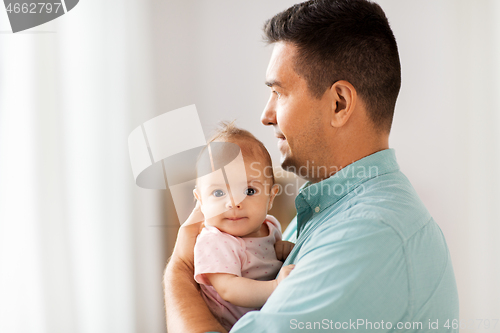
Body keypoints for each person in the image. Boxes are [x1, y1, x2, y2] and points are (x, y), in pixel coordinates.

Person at [164, 0, 459, 332]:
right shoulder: (324, 213)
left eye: (279, 93)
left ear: (339, 103)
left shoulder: (367, 235)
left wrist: (179, 269)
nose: (266, 115)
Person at [191, 123, 295, 331]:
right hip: (229, 327)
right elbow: (229, 288)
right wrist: (274, 287)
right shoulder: (214, 241)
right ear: (200, 201)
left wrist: (282, 247)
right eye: (219, 193)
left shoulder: (270, 225)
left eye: (249, 190)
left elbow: (269, 256)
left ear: (271, 197)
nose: (234, 203)